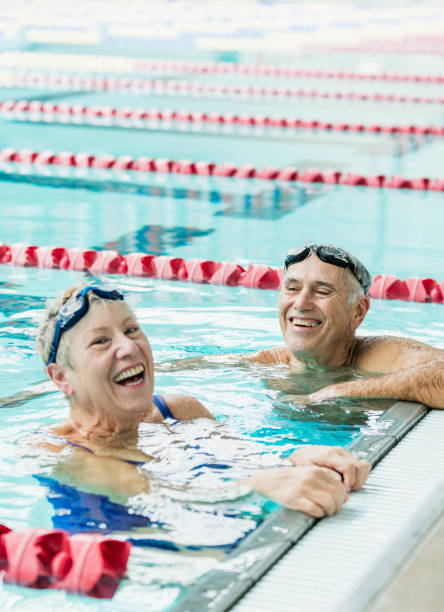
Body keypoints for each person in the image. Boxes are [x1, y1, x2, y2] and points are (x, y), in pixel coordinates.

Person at [31, 282, 370, 522]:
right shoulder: (54, 450)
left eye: (132, 330)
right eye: (102, 341)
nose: (128, 347)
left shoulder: (177, 410)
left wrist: (298, 457)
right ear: (61, 377)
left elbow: (247, 461)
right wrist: (259, 487)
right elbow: (165, 495)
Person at [246, 244, 444, 409]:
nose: (300, 303)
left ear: (358, 311)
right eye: (292, 289)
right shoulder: (264, 364)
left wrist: (341, 390)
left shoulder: (380, 355)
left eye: (322, 291)